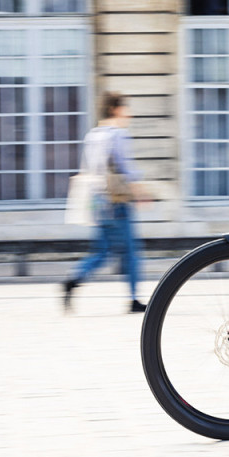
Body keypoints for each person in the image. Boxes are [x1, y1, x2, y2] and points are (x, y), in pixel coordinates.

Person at [63, 92, 149, 313]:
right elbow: (126, 168)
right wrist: (140, 191)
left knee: (102, 251)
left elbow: (88, 169)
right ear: (115, 109)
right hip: (118, 201)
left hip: (99, 202)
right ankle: (133, 299)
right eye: (125, 108)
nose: (128, 113)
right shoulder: (118, 135)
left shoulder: (93, 135)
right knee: (131, 251)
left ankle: (73, 279)